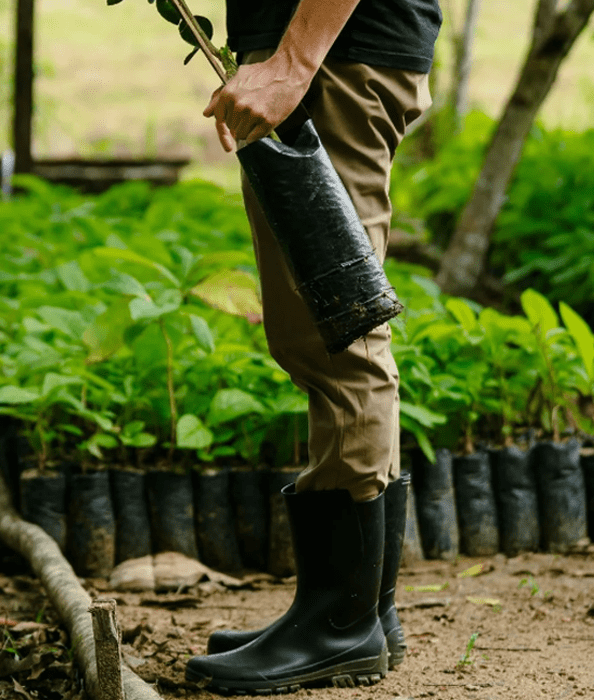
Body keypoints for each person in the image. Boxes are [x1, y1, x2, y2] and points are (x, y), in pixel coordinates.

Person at [183, 0, 441, 693]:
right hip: (331, 56)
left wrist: (294, 62)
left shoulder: (316, 66)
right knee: (324, 331)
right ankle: (363, 613)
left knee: (339, 334)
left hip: (333, 60)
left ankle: (339, 626)